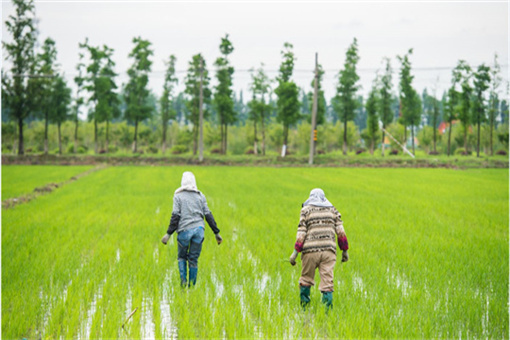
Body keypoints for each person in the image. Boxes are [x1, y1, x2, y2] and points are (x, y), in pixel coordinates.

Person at [289, 188, 349, 310]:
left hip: (310, 251)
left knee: (306, 279)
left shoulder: (306, 210)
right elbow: (341, 232)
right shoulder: (333, 210)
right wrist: (345, 251)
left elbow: (301, 233)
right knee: (327, 283)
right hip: (328, 251)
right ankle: (327, 313)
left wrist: (294, 254)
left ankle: (304, 309)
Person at [161, 171, 222, 287]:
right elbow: (208, 215)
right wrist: (216, 233)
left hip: (184, 231)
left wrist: (168, 234)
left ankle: (183, 283)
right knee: (193, 259)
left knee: (182, 257)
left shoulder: (178, 196)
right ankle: (192, 287)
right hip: (199, 230)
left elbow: (176, 216)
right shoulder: (200, 196)